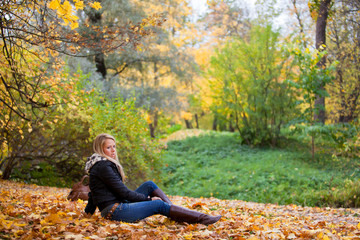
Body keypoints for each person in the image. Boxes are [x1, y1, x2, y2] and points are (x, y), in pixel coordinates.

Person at [84, 133, 221, 225]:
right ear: (100, 149)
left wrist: (88, 212)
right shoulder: (103, 167)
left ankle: (174, 213)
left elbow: (93, 192)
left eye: (114, 146)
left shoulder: (99, 165)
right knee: (158, 205)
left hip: (118, 205)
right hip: (115, 211)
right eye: (108, 147)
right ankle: (203, 219)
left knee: (149, 185)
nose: (113, 150)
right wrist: (149, 200)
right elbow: (124, 193)